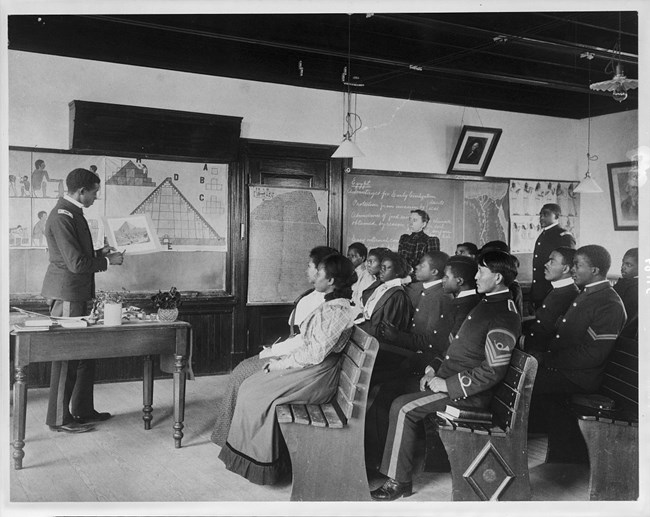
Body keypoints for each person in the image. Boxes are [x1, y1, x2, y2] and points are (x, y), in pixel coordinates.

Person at [369, 250, 521, 500]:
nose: (476, 275)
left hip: (470, 395)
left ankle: (398, 482)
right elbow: (458, 348)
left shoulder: (503, 313)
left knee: (404, 407)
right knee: (395, 394)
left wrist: (446, 384)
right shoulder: (488, 303)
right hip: (452, 381)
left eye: (481, 271)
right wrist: (435, 369)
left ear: (497, 278)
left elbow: (493, 370)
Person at [218, 254, 357, 484]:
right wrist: (282, 359)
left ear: (331, 280)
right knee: (251, 384)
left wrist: (281, 363)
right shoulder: (331, 305)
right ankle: (253, 459)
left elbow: (315, 354)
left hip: (319, 375)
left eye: (319, 273)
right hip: (315, 367)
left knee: (256, 394)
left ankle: (263, 466)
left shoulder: (337, 311)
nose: (314, 278)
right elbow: (311, 347)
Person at [210, 245, 339, 446]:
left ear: (327, 275)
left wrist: (274, 352)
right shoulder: (313, 296)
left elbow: (305, 343)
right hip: (298, 353)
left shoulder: (328, 305)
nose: (307, 270)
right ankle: (228, 436)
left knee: (243, 374)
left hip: (306, 363)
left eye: (311, 267)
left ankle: (236, 439)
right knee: (241, 372)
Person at [41, 168, 124, 433]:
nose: (95, 197)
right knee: (67, 355)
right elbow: (76, 263)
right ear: (81, 192)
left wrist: (101, 252)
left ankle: (82, 410)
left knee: (85, 352)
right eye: (94, 192)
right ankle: (58, 418)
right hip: (68, 294)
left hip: (77, 293)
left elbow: (79, 255)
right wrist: (108, 260)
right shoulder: (62, 215)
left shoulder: (73, 213)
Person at [376, 251, 451, 371]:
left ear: (434, 272)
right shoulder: (422, 288)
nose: (416, 267)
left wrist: (397, 336)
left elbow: (432, 342)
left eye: (422, 265)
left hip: (422, 356)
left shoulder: (440, 298)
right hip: (409, 347)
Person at [519, 247, 579, 354]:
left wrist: (524, 340)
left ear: (565, 269)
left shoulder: (570, 295)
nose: (546, 264)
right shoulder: (557, 289)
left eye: (552, 262)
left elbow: (552, 333)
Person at [357, 250, 413, 339]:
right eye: (381, 267)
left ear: (397, 272)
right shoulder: (380, 285)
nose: (381, 271)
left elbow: (386, 332)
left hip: (377, 341)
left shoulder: (398, 295)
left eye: (386, 268)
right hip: (365, 332)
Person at [531, 203, 576, 309]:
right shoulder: (543, 235)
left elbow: (568, 264)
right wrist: (534, 294)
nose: (541, 217)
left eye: (546, 214)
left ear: (556, 216)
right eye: (540, 214)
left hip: (554, 291)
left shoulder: (563, 236)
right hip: (540, 291)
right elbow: (537, 269)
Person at [397, 209, 440, 279]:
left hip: (419, 279)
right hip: (401, 278)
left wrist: (410, 276)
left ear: (423, 224)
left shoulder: (430, 241)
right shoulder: (404, 238)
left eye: (414, 220)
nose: (410, 223)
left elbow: (431, 266)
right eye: (410, 220)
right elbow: (399, 262)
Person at [347, 242, 374, 315]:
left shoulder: (367, 276)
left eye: (353, 256)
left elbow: (361, 303)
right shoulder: (350, 273)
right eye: (348, 255)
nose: (349, 258)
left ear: (363, 258)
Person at [613, 248, 638, 321]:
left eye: (629, 265)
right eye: (623, 263)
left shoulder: (630, 286)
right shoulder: (625, 282)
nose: (623, 267)